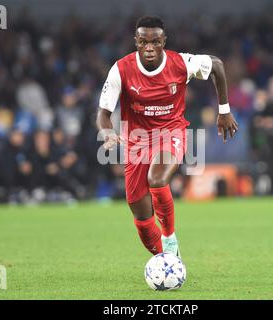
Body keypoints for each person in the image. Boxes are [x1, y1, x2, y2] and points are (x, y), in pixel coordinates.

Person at [96, 16, 238, 257]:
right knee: (140, 215)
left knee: (157, 179)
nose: (149, 48)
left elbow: (217, 65)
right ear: (136, 42)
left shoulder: (181, 63)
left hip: (170, 132)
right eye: (143, 42)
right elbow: (103, 113)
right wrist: (108, 132)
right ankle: (168, 260)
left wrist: (224, 111)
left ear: (164, 41)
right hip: (137, 141)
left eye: (155, 42)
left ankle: (170, 236)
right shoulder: (121, 69)